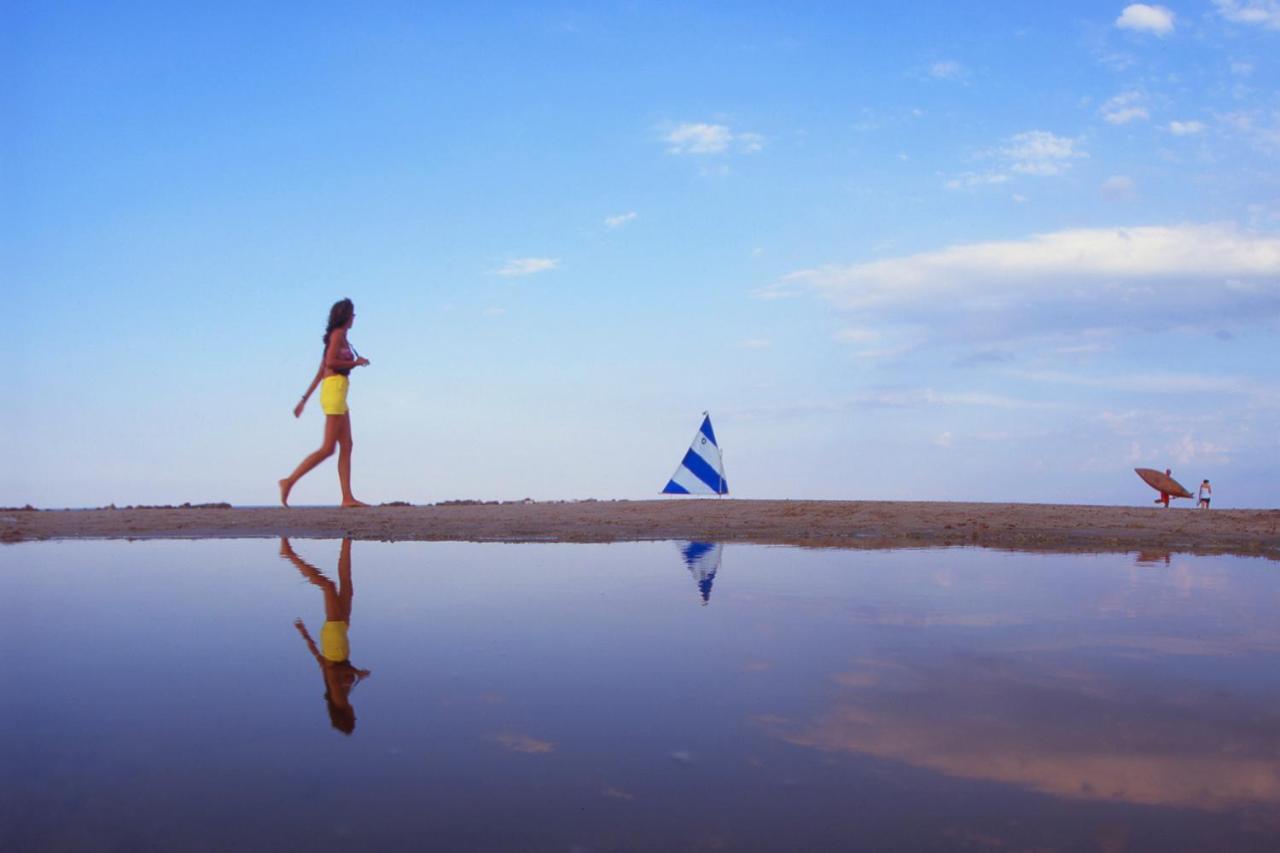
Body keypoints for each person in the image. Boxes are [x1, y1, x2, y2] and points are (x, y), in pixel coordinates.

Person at [279, 298, 371, 507]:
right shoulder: (337, 335)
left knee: (346, 445)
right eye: (353, 314)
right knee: (328, 448)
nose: (354, 317)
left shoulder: (341, 338)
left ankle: (347, 497)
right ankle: (289, 481)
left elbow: (321, 369)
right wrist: (355, 363)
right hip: (334, 391)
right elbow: (330, 363)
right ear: (346, 316)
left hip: (337, 390)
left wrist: (304, 399)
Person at [281, 537, 371, 735]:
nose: (355, 713)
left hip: (333, 638)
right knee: (346, 584)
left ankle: (289, 555)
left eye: (353, 717)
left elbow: (332, 672)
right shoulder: (343, 695)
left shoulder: (338, 698)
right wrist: (304, 633)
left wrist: (357, 673)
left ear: (346, 714)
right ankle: (347, 541)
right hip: (340, 633)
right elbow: (320, 663)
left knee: (327, 586)